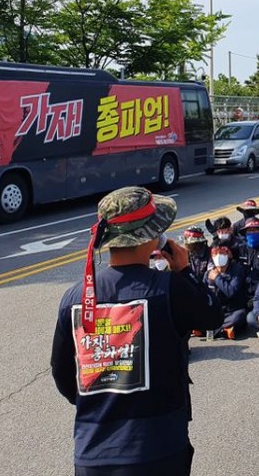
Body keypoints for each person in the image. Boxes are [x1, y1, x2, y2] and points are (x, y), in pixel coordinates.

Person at [50, 186, 222, 475]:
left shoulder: (74, 297)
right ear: (154, 238)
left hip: (93, 452)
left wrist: (101, 401)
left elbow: (63, 374)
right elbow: (213, 316)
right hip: (158, 448)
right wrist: (184, 271)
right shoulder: (169, 289)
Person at [205, 242, 248, 339]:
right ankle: (222, 331)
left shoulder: (237, 270)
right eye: (215, 253)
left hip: (232, 311)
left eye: (222, 253)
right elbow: (202, 293)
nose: (218, 256)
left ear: (228, 255)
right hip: (215, 311)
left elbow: (231, 292)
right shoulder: (209, 272)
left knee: (241, 315)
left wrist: (217, 278)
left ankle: (212, 330)